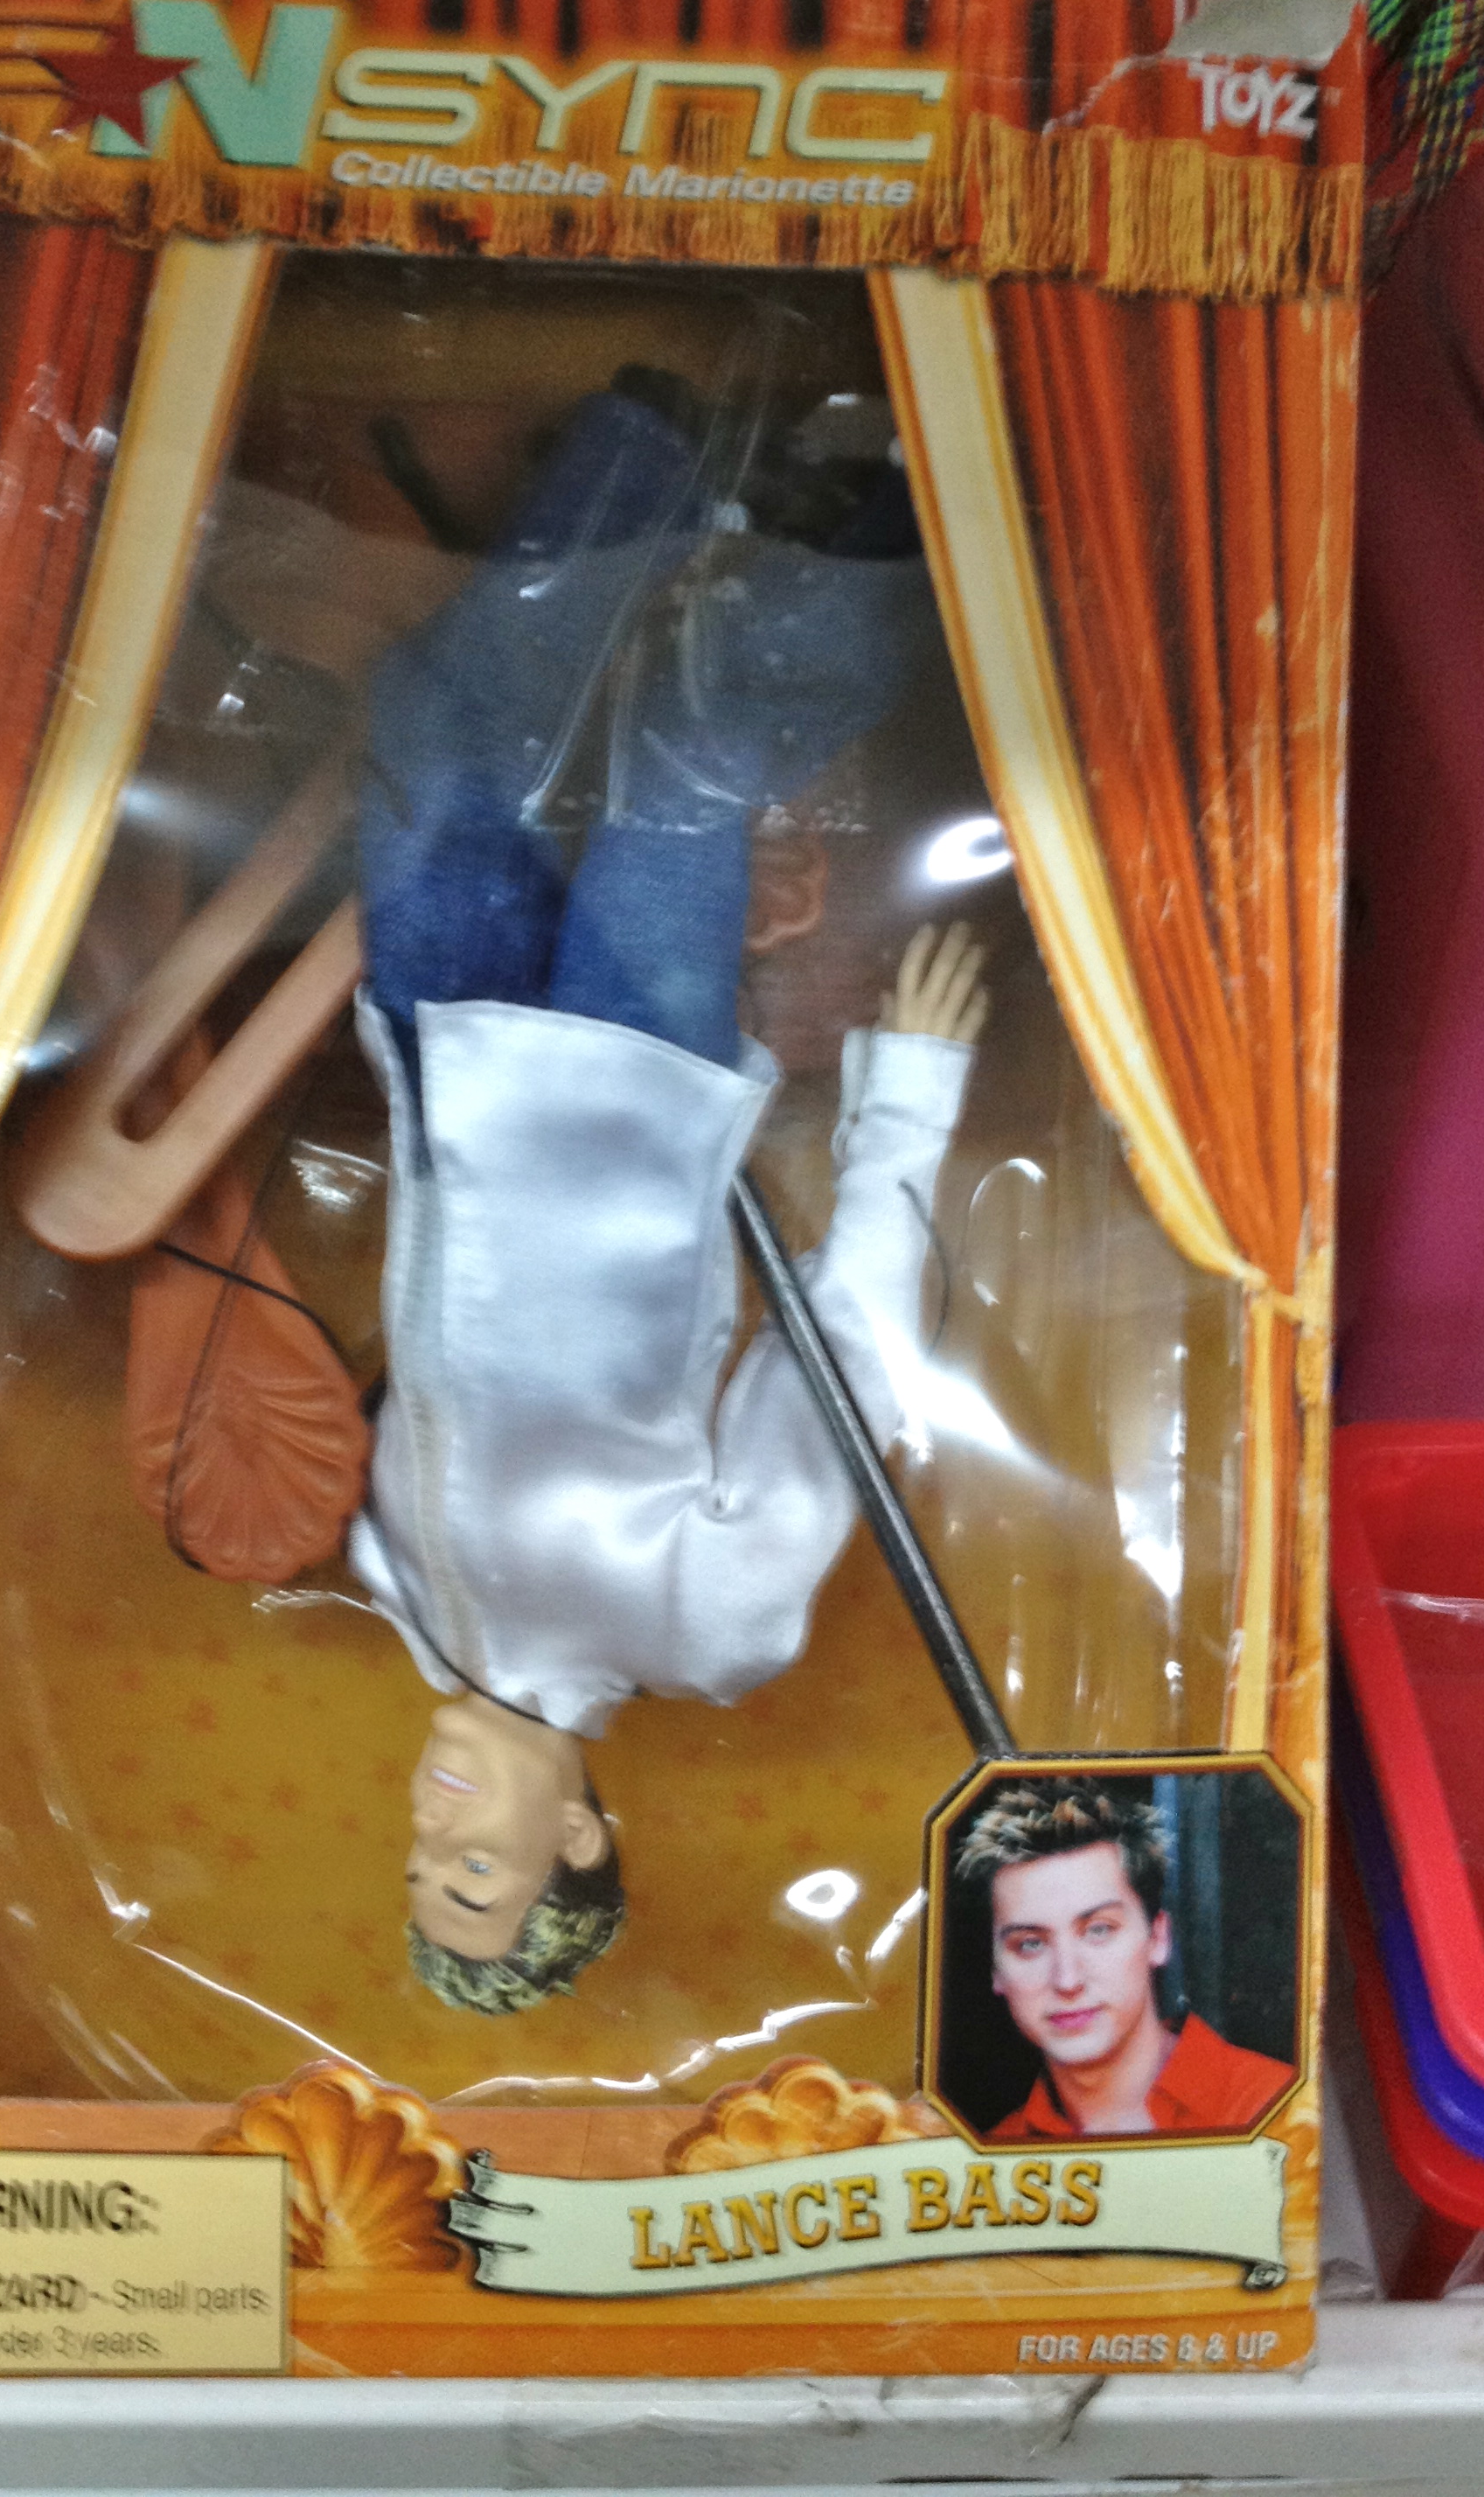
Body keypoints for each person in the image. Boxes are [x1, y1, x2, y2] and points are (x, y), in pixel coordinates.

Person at [341, 375, 987, 2016]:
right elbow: (843, 1371)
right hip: (630, 1081)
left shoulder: (395, 1587)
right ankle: (918, 495)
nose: (433, 1828)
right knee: (693, 763)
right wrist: (906, 1105)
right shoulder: (705, 1627)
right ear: (575, 1837)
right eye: (474, 1870)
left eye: (415, 1865)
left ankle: (656, 440)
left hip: (443, 1050)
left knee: (430, 730)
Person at [954, 1777, 1295, 2139]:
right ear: (995, 1969)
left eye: (1099, 1930)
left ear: (1158, 1938)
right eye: (1030, 1944)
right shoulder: (995, 2152)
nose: (1068, 1980)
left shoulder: (1278, 2109)